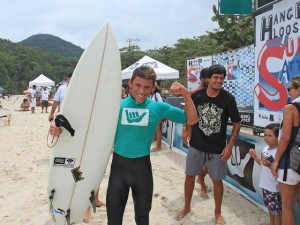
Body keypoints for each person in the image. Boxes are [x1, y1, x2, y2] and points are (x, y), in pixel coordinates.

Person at [50, 65, 198, 225]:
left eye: (147, 87)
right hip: (118, 171)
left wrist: (185, 93)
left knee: (142, 218)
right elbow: (85, 124)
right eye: (138, 85)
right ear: (130, 83)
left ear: (153, 87)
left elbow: (191, 119)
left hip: (142, 172)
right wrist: (58, 126)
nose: (142, 91)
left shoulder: (157, 107)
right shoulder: (115, 107)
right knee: (113, 220)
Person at [176, 64, 241, 225]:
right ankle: (186, 207)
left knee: (217, 181)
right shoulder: (197, 96)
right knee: (189, 176)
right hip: (196, 145)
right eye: (216, 78)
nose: (219, 81)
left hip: (218, 148)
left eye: (221, 78)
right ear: (208, 79)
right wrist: (186, 130)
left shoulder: (228, 99)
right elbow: (189, 114)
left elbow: (237, 124)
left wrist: (230, 145)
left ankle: (217, 212)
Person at [271, 76, 300, 225]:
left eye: (290, 89)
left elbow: (285, 137)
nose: (288, 92)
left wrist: (276, 161)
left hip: (291, 162)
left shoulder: (291, 108)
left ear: (298, 89)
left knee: (287, 206)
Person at [249, 123, 281, 225]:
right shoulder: (264, 149)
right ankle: (271, 223)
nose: (266, 138)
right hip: (265, 185)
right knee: (269, 207)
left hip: (274, 188)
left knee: (276, 211)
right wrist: (255, 157)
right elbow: (262, 164)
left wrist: (269, 165)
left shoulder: (279, 152)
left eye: (270, 136)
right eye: (265, 135)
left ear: (278, 137)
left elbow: (278, 172)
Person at [151, 82, 164, 151]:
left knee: (158, 130)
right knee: (156, 130)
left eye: (153, 87)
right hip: (154, 114)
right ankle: (157, 142)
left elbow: (161, 104)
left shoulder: (157, 94)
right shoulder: (151, 95)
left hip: (157, 114)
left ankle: (159, 146)